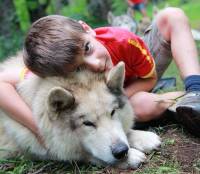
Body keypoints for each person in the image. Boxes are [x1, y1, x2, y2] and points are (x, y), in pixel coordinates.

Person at [0, 7, 200, 138]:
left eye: (87, 48)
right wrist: (37, 128)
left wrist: (120, 95)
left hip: (139, 74)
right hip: (115, 100)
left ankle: (194, 91)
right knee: (144, 106)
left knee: (172, 16)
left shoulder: (123, 40)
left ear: (87, 29)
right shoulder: (54, 66)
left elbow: (149, 78)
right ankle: (177, 104)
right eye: (78, 68)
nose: (95, 63)